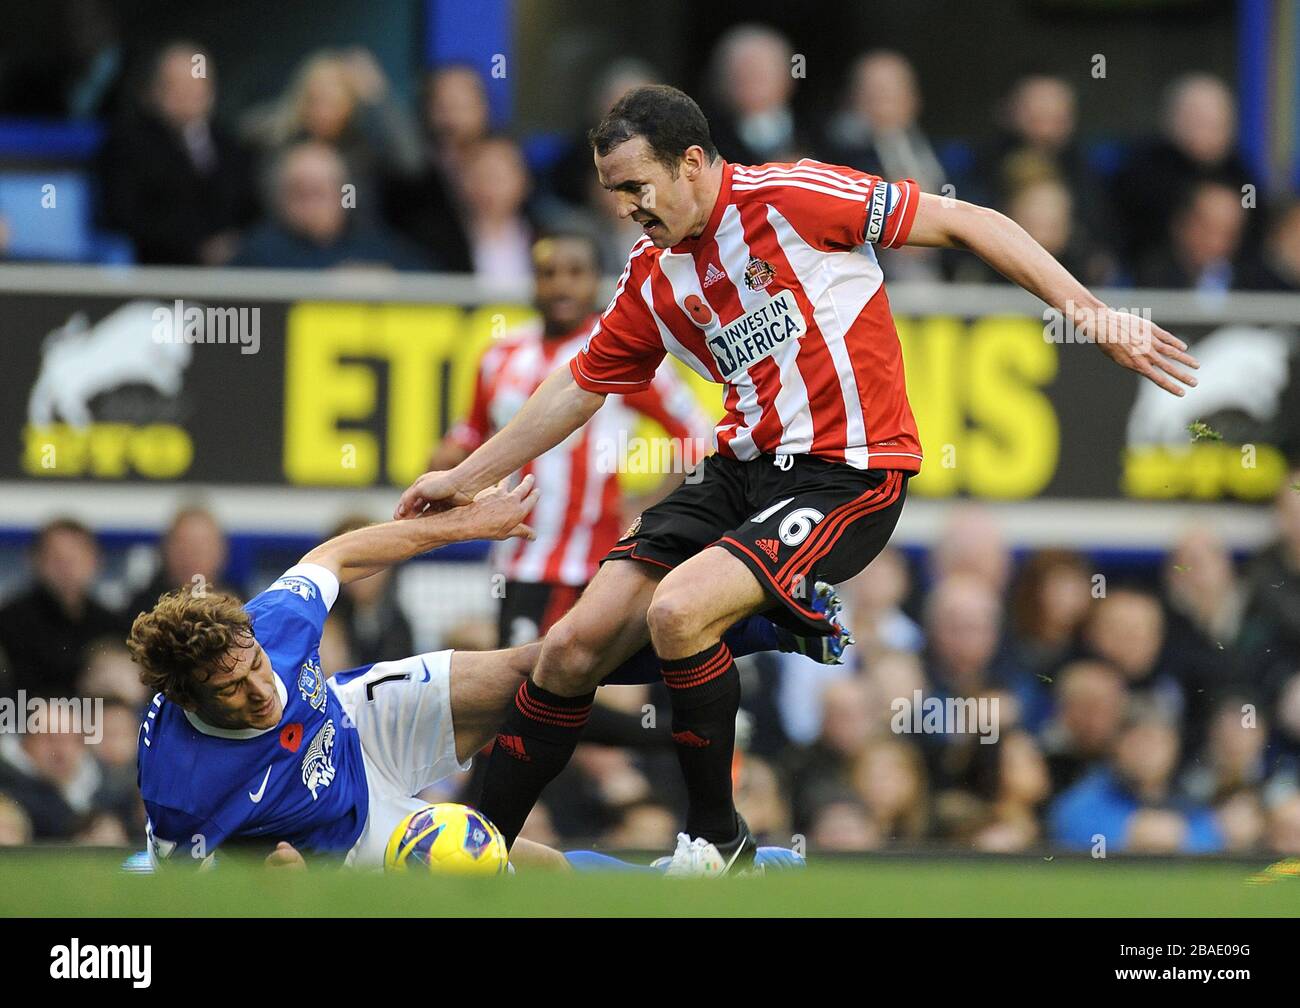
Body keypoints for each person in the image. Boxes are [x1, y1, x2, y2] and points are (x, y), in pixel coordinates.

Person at [393, 84, 1199, 875]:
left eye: (639, 186)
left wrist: (1090, 311)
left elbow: (968, 219)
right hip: (737, 474)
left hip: (848, 476)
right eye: (614, 192)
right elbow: (580, 386)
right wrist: (464, 475)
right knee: (569, 650)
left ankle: (718, 842)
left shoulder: (794, 195)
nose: (628, 207)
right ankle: (476, 851)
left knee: (677, 612)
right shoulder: (651, 275)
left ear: (695, 163)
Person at [130, 477, 838, 870]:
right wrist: (264, 885)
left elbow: (339, 552)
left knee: (550, 660)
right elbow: (183, 892)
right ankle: (686, 883)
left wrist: (465, 527)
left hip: (356, 721)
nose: (261, 690)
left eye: (255, 666)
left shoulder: (270, 626)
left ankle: (767, 623)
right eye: (231, 690)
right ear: (188, 696)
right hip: (342, 838)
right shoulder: (179, 782)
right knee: (523, 875)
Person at [430, 231, 709, 648]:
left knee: (559, 688)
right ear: (533, 281)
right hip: (517, 560)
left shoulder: (622, 351)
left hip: (596, 563)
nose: (561, 285)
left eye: (575, 273)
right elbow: (467, 436)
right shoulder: (499, 355)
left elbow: (697, 437)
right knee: (527, 687)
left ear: (597, 280)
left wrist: (646, 506)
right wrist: (437, 472)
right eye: (549, 273)